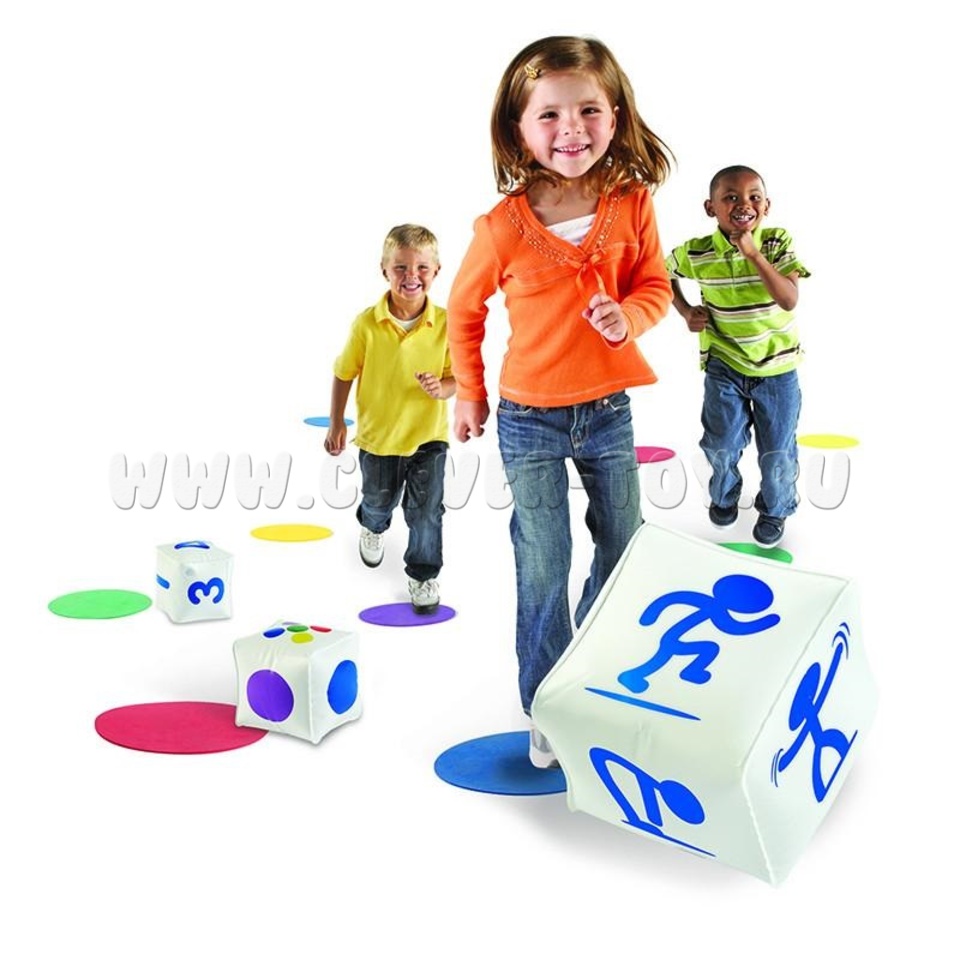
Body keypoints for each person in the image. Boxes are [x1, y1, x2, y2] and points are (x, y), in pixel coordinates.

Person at [447, 36, 673, 767]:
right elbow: (463, 312)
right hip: (529, 419)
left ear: (616, 116)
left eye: (588, 110)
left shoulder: (632, 204)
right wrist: (470, 393)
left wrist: (629, 318)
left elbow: (655, 286)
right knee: (544, 559)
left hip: (608, 411)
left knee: (626, 548)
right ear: (519, 131)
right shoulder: (501, 228)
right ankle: (546, 703)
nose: (571, 128)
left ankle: (590, 662)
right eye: (549, 114)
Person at [666, 166, 810, 548]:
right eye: (730, 197)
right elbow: (659, 273)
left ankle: (775, 508)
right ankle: (725, 494)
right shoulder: (697, 252)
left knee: (777, 450)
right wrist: (685, 311)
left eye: (753, 197)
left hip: (778, 369)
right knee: (721, 443)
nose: (744, 204)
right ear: (710, 207)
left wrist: (753, 254)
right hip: (724, 364)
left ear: (766, 205)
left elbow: (789, 299)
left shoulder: (776, 242)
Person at [325, 224, 455, 614]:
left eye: (421, 267)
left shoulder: (446, 324)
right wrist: (336, 423)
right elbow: (344, 373)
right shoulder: (367, 324)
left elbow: (459, 378)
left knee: (427, 511)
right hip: (379, 439)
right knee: (379, 502)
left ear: (436, 271)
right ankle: (372, 525)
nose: (411, 276)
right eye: (400, 267)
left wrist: (442, 388)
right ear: (384, 270)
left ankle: (423, 574)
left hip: (429, 437)